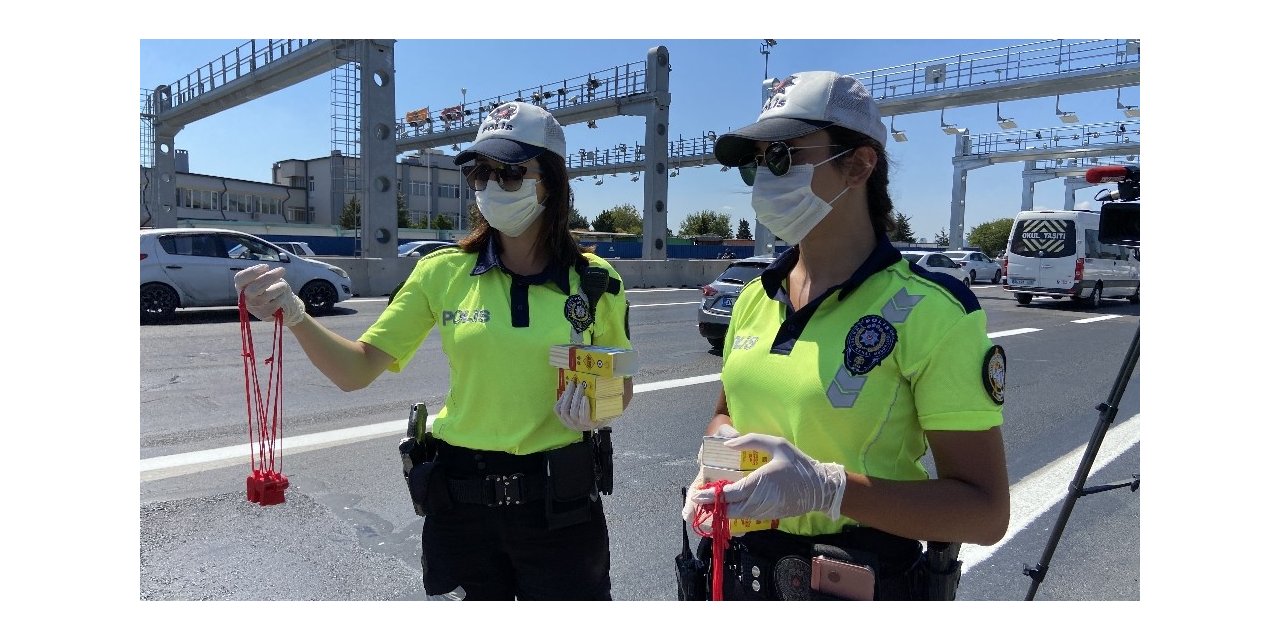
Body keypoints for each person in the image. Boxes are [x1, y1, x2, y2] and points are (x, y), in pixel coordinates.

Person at [235, 102, 633, 600]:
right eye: (478, 173)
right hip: (463, 501)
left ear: (548, 181)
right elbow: (355, 371)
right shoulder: (440, 272)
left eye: (509, 173)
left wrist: (599, 406)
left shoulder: (596, 281)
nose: (490, 186)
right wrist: (294, 316)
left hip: (560, 503)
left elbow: (621, 383)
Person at [680, 71, 1010, 600]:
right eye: (756, 162)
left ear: (858, 165)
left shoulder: (933, 311)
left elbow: (985, 512)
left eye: (783, 156)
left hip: (852, 583)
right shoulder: (754, 298)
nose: (765, 177)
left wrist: (829, 490)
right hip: (742, 572)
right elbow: (727, 413)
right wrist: (717, 453)